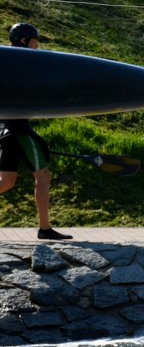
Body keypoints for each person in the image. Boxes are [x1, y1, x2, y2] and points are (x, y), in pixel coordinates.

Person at [0, 23, 71, 241]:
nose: (37, 46)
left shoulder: (8, 61)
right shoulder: (23, 62)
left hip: (5, 127)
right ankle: (45, 228)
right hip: (19, 129)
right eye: (34, 41)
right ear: (23, 41)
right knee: (43, 176)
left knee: (7, 180)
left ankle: (45, 228)